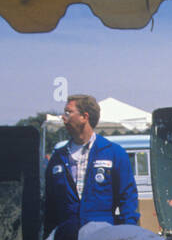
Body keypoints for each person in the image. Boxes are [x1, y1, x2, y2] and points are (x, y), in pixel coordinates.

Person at [44, 95, 139, 232]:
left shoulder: (114, 153)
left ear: (84, 117)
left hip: (102, 238)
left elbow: (128, 198)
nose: (63, 117)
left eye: (68, 112)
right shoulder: (58, 157)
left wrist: (130, 233)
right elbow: (49, 206)